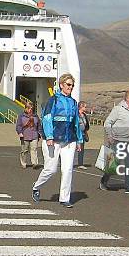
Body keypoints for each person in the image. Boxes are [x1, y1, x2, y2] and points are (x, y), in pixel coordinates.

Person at [32, 73, 83, 208]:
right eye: (68, 85)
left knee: (67, 170)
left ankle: (65, 198)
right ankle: (37, 186)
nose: (70, 87)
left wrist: (79, 140)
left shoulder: (73, 103)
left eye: (72, 85)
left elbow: (76, 122)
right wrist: (49, 137)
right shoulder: (53, 100)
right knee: (51, 169)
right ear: (61, 85)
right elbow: (47, 118)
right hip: (53, 140)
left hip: (69, 140)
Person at [100, 90, 129, 193]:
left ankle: (128, 186)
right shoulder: (118, 109)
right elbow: (107, 123)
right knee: (114, 164)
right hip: (118, 141)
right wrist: (110, 136)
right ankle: (104, 181)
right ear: (127, 98)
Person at [16, 102, 42, 169]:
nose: (30, 110)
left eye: (31, 108)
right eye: (28, 108)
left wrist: (40, 133)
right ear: (25, 108)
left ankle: (34, 163)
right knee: (24, 150)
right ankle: (23, 162)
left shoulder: (35, 116)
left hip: (34, 135)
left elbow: (39, 125)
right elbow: (18, 125)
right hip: (25, 136)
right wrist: (20, 132)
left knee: (34, 149)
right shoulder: (21, 116)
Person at [75, 101, 90, 169]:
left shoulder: (84, 115)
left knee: (81, 149)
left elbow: (86, 123)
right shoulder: (76, 114)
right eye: (85, 107)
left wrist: (86, 129)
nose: (86, 108)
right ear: (81, 107)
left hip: (83, 134)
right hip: (76, 134)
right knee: (73, 148)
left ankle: (80, 164)